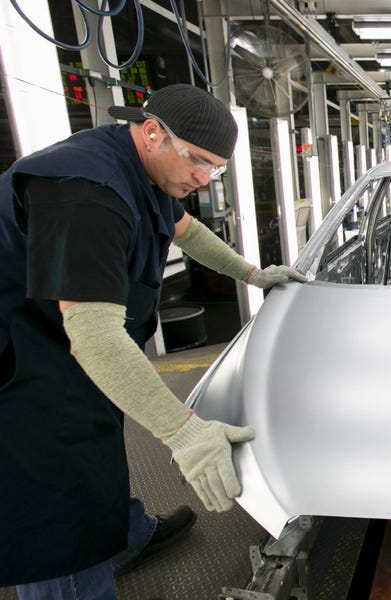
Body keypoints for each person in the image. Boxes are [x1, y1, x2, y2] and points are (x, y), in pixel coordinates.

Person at [0, 84, 306, 597]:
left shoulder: (146, 170)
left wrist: (252, 274)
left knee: (98, 440)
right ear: (151, 133)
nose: (203, 178)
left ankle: (124, 534)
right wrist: (184, 432)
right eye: (197, 161)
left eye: (216, 169)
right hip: (23, 364)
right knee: (56, 500)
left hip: (63, 347)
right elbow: (95, 336)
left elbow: (184, 231)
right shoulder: (85, 194)